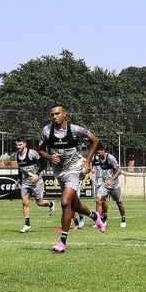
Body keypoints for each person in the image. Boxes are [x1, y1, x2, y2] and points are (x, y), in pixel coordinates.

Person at [38, 103, 105, 253]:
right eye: (52, 115)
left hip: (74, 169)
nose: (54, 117)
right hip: (59, 172)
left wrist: (88, 160)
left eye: (57, 114)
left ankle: (62, 241)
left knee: (65, 202)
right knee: (75, 205)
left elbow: (95, 140)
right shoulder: (46, 131)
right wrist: (49, 156)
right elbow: (41, 150)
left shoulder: (75, 129)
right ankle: (94, 216)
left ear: (64, 114)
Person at [12, 136, 54, 233]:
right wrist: (18, 180)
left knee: (39, 203)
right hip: (25, 181)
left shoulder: (32, 153)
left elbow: (44, 162)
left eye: (20, 144)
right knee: (24, 201)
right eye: (17, 145)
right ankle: (27, 225)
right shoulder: (17, 155)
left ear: (25, 144)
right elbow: (20, 169)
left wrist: (37, 174)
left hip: (36, 180)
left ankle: (51, 204)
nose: (18, 146)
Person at [92, 145, 127, 228]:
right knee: (98, 199)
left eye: (99, 152)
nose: (98, 155)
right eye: (97, 153)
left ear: (103, 150)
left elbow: (119, 171)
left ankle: (123, 218)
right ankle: (100, 221)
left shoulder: (111, 158)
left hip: (114, 185)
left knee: (119, 203)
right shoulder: (98, 158)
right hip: (104, 185)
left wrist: (111, 180)